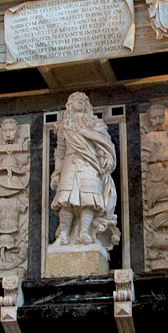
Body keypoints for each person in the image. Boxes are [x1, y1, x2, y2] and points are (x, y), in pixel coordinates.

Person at [50, 92, 119, 250]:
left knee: (88, 200)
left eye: (83, 100)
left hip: (90, 164)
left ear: (87, 105)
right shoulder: (64, 126)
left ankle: (84, 232)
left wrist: (107, 160)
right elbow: (60, 152)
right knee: (65, 199)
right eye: (76, 100)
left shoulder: (96, 124)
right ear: (70, 105)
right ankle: (64, 235)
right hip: (70, 162)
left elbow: (105, 145)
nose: (80, 102)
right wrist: (57, 173)